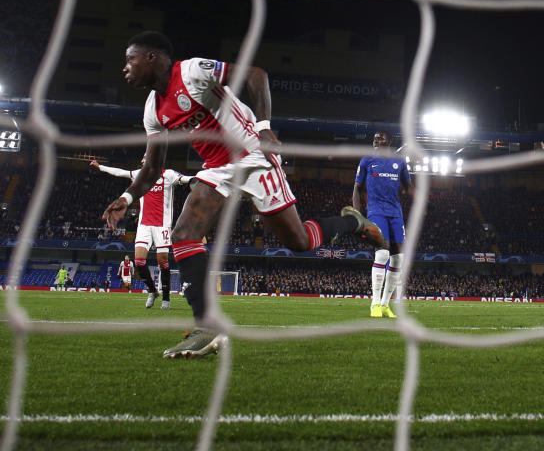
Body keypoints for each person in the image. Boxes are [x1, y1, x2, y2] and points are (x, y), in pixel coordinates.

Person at [101, 31, 383, 359]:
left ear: (152, 58)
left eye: (130, 59)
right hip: (218, 168)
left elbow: (255, 74)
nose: (125, 67)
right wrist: (127, 198)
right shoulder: (153, 109)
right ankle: (207, 326)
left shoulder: (191, 71)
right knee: (183, 234)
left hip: (252, 156)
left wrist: (263, 126)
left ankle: (351, 222)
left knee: (300, 243)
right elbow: (152, 168)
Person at [92, 157, 193, 309]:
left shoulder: (169, 175)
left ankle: (166, 298)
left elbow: (186, 179)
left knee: (163, 262)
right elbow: (121, 173)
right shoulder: (141, 174)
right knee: (139, 261)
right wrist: (101, 168)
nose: (143, 161)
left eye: (146, 158)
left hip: (162, 226)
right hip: (144, 225)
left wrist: (205, 179)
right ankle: (152, 291)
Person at [352, 130, 414, 318]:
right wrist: (357, 213)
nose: (376, 140)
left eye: (381, 138)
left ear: (390, 142)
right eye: (375, 138)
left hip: (395, 214)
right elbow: (357, 188)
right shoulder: (367, 161)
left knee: (398, 260)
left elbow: (409, 187)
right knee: (382, 254)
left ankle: (386, 304)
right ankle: (375, 303)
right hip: (376, 212)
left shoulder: (400, 162)